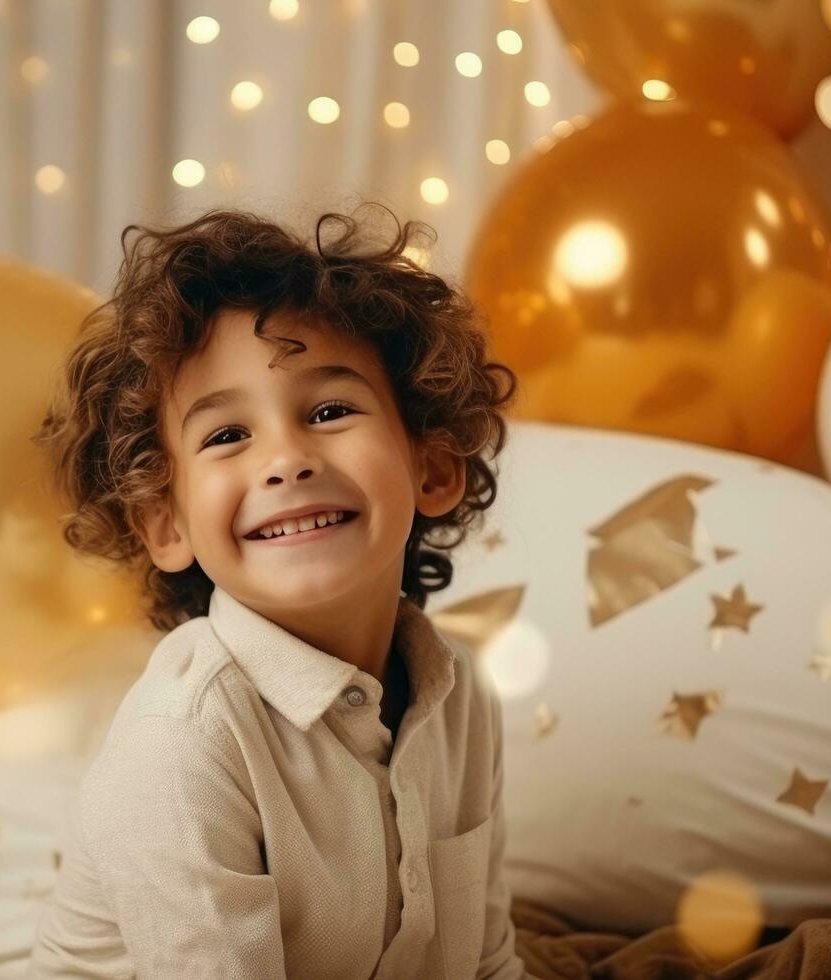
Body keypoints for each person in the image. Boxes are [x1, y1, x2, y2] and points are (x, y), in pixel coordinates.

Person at [27, 202, 528, 978]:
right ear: (167, 524)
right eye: (226, 435)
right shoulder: (183, 742)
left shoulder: (459, 693)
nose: (285, 459)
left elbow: (485, 964)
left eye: (329, 411)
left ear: (431, 467)